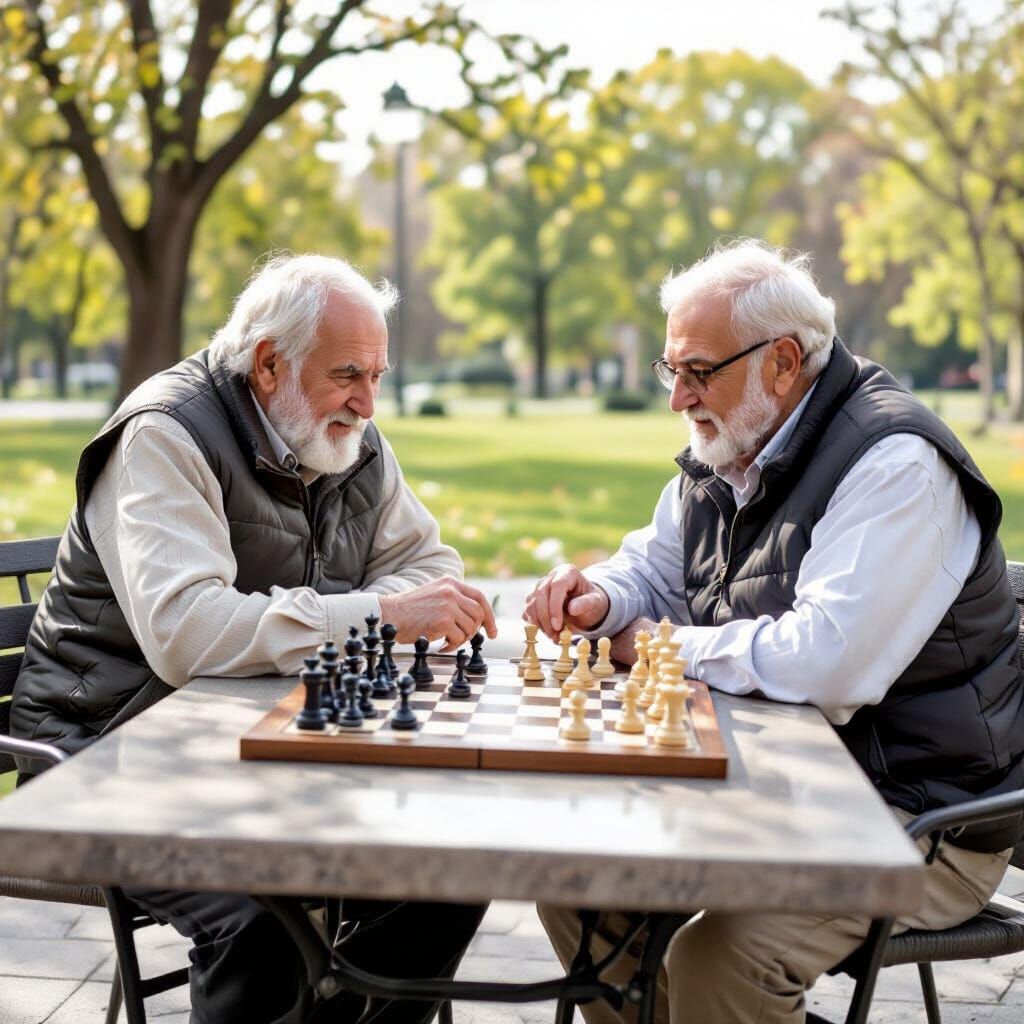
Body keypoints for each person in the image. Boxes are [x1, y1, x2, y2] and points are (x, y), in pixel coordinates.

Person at [525, 238, 1024, 1024]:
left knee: (724, 962)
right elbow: (655, 572)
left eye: (698, 371)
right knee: (579, 887)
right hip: (780, 791)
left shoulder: (895, 463)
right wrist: (603, 601)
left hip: (917, 819)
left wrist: (653, 645)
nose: (678, 398)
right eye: (671, 370)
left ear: (784, 361)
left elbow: (828, 665)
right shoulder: (731, 447)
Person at [11, 253, 495, 1024]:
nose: (370, 403)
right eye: (349, 375)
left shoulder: (347, 438)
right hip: (106, 759)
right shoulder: (163, 436)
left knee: (449, 869)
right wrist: (378, 616)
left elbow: (428, 565)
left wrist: (370, 609)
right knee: (260, 926)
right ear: (269, 363)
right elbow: (187, 632)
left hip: (257, 752)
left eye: (377, 374)